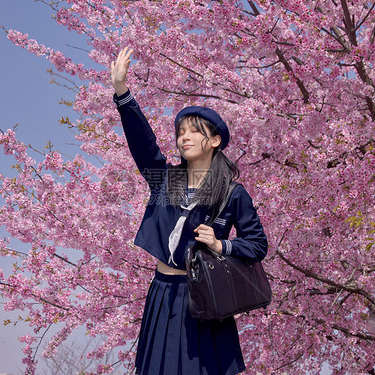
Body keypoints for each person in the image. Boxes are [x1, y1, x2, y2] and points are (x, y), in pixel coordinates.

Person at [110, 47, 268, 375]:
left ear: (215, 141)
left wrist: (222, 245)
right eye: (181, 132)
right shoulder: (164, 178)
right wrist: (122, 91)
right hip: (162, 293)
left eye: (194, 131)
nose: (184, 137)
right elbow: (143, 143)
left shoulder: (232, 193)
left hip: (203, 298)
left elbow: (257, 245)